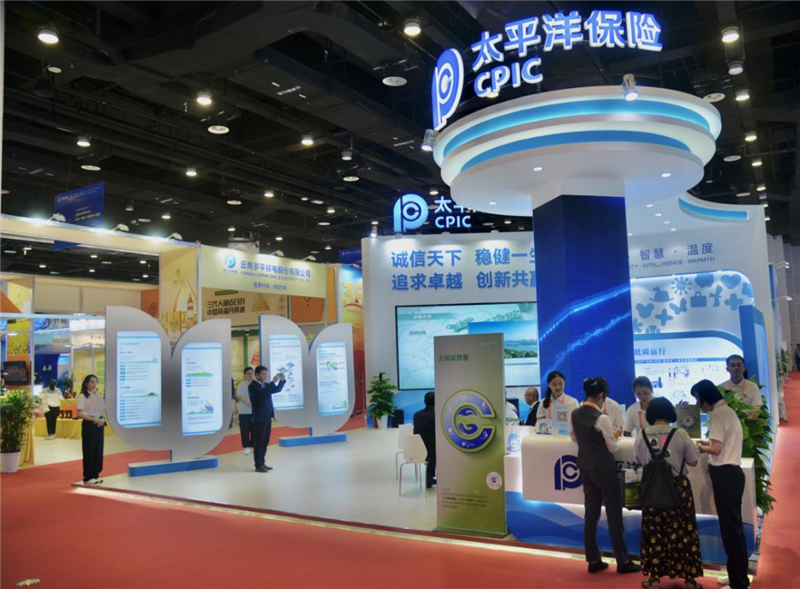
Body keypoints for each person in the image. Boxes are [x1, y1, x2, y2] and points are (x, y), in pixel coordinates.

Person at [570, 377, 640, 575]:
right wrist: (614, 436)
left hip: (585, 468)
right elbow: (613, 447)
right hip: (604, 469)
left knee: (590, 515)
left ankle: (593, 560)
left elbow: (573, 437)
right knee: (614, 515)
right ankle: (623, 561)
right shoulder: (602, 418)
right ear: (601, 395)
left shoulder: (575, 413)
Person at [635, 397, 703, 589]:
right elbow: (693, 462)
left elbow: (638, 461)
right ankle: (689, 580)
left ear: (651, 414)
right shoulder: (680, 434)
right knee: (683, 532)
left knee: (654, 532)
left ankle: (654, 579)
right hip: (678, 489)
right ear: (670, 413)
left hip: (652, 488)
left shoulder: (642, 434)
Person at [691, 380, 749, 589]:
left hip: (725, 475)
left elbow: (716, 450)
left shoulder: (717, 414)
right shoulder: (727, 411)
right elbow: (720, 445)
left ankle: (738, 583)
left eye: (698, 399)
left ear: (705, 397)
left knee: (731, 531)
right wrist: (708, 445)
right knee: (734, 529)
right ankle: (737, 577)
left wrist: (700, 447)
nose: (697, 405)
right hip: (732, 474)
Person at [248, 366, 286, 473]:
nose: (265, 376)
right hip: (258, 418)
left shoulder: (265, 385)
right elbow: (262, 393)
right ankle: (258, 465)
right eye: (263, 374)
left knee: (265, 442)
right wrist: (273, 381)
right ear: (256, 374)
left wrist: (281, 381)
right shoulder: (253, 386)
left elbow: (276, 390)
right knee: (259, 442)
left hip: (267, 417)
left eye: (266, 374)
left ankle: (262, 462)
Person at [76, 374, 105, 485]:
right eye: (92, 382)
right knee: (89, 450)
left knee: (98, 449)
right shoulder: (82, 396)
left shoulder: (98, 395)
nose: (94, 384)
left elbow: (102, 410)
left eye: (95, 382)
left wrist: (102, 419)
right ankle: (88, 476)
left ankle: (95, 474)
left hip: (99, 424)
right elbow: (80, 413)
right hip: (89, 424)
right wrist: (93, 419)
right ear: (86, 383)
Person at [536, 370, 580, 435]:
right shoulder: (543, 402)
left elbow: (577, 423)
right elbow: (539, 422)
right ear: (548, 385)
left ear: (564, 383)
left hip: (566, 437)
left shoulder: (573, 402)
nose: (558, 387)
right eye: (554, 384)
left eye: (560, 384)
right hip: (548, 437)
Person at [413, 392, 436, 488]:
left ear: (424, 402)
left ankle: (430, 478)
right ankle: (431, 478)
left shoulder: (417, 415)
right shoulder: (435, 415)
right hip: (431, 450)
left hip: (417, 448)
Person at [236, 368, 255, 455]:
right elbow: (241, 397)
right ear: (244, 375)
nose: (250, 375)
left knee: (255, 430)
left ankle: (253, 446)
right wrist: (251, 404)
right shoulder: (241, 385)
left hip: (254, 412)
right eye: (248, 373)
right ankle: (246, 447)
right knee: (244, 431)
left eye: (251, 373)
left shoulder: (256, 384)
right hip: (244, 412)